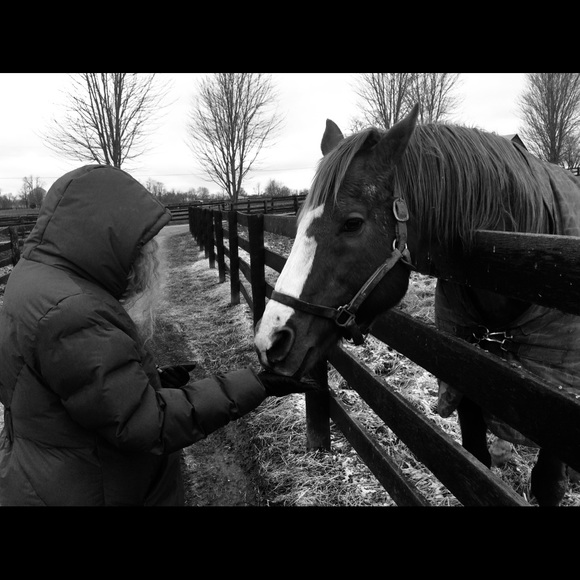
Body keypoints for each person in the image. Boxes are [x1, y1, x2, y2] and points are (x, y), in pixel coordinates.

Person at [0, 164, 316, 506]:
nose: (149, 254)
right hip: (92, 489)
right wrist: (257, 385)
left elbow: (77, 390)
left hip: (52, 476)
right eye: (142, 243)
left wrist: (151, 383)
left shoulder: (35, 280)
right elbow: (146, 424)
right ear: (109, 235)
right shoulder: (73, 312)